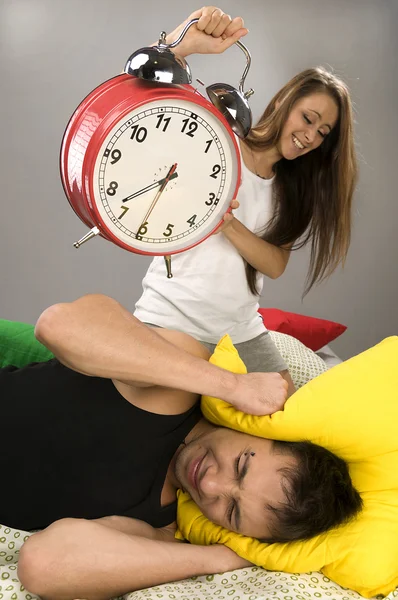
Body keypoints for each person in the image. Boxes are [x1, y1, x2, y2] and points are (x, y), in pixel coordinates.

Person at [0, 294, 362, 599]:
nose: (210, 486)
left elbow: (43, 564)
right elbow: (59, 324)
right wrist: (232, 387)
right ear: (266, 431)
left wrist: (221, 558)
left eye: (232, 511)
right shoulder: (177, 386)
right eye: (241, 466)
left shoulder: (159, 526)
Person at [134, 6, 358, 397]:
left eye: (323, 133)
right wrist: (182, 44)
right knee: (163, 401)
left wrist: (229, 225)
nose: (310, 136)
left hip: (241, 329)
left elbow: (273, 264)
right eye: (308, 118)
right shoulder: (221, 141)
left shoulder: (292, 192)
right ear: (286, 102)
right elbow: (147, 89)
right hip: (173, 313)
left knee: (283, 406)